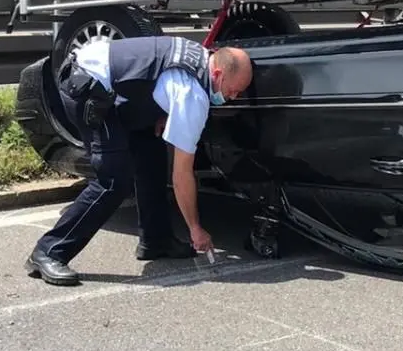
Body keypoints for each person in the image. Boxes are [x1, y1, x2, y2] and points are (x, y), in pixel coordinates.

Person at [24, 34, 253, 286]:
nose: (234, 97)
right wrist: (195, 228)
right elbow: (182, 175)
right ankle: (49, 250)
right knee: (112, 181)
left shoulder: (200, 57)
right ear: (218, 74)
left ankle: (156, 240)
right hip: (88, 86)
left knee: (151, 154)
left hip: (111, 84)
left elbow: (155, 80)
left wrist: (164, 113)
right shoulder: (193, 97)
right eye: (234, 90)